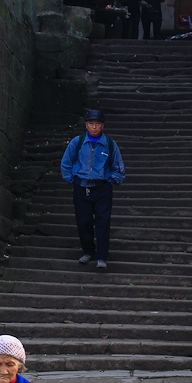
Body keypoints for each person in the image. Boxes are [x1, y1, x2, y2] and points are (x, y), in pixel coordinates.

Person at [60, 109, 125, 270]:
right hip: (81, 187)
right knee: (83, 221)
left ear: (102, 125)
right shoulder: (78, 142)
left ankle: (102, 256)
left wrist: (113, 178)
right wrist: (71, 178)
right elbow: (66, 162)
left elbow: (118, 165)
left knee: (103, 222)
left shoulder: (109, 144)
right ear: (86, 125)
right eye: (91, 124)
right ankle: (88, 251)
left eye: (97, 124)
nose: (94, 127)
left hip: (102, 188)